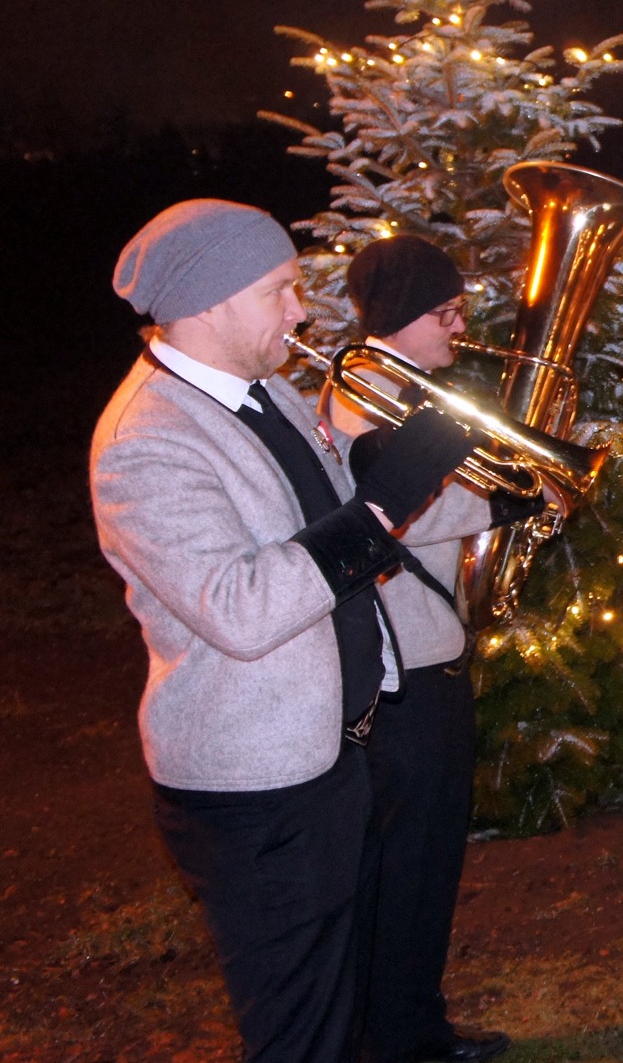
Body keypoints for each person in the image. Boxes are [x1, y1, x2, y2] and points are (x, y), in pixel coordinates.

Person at [91, 200, 475, 1061]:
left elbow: (328, 519)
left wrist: (391, 480)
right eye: (280, 290)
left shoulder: (267, 393)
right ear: (210, 299)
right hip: (255, 787)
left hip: (331, 754)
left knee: (352, 1003)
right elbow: (239, 607)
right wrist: (383, 506)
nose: (301, 311)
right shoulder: (146, 440)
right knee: (303, 1035)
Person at [328, 236, 519, 1063]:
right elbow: (389, 510)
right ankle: (399, 1038)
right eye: (446, 313)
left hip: (428, 653)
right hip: (401, 670)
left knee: (429, 863)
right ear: (402, 316)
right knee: (409, 865)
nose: (460, 327)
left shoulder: (404, 389)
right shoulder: (363, 395)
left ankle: (414, 1025)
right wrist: (503, 500)